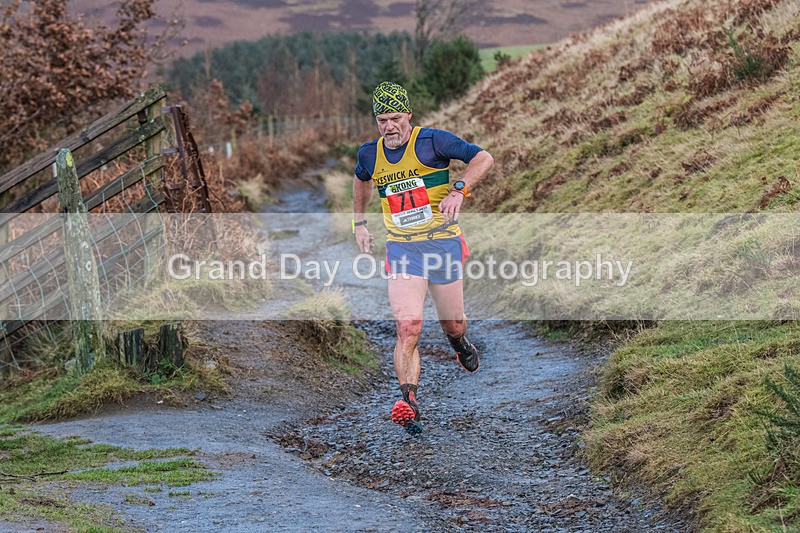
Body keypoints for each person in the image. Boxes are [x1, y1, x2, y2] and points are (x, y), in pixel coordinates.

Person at [352, 81, 494, 435]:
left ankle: (459, 343)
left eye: (396, 118)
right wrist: (359, 223)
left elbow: (483, 157)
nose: (389, 127)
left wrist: (459, 190)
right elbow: (361, 180)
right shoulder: (369, 154)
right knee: (408, 325)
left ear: (409, 116)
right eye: (382, 120)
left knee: (453, 324)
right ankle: (409, 401)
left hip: (443, 245)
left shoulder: (433, 141)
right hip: (403, 250)